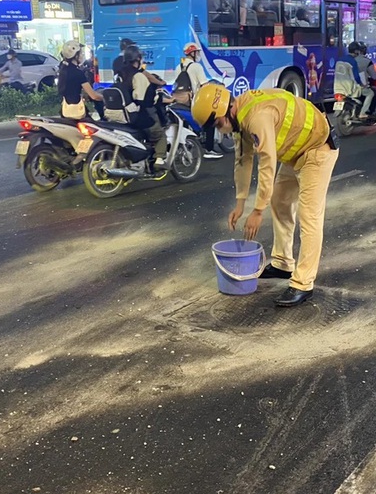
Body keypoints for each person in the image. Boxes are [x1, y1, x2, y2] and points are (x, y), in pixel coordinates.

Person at [191, 84, 339, 308]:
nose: (220, 129)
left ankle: (303, 283)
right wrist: (241, 203)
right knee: (280, 201)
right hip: (295, 152)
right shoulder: (239, 117)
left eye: (218, 123)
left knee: (309, 216)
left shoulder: (257, 117)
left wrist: (258, 210)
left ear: (226, 110)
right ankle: (282, 263)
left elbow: (267, 164)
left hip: (317, 149)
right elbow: (243, 161)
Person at [118, 45, 168, 170]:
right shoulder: (138, 76)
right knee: (160, 135)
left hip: (123, 114)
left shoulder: (120, 74)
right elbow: (142, 100)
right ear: (138, 59)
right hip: (139, 115)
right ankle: (160, 160)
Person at [175, 43, 222, 160]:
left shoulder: (178, 67)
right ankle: (209, 149)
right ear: (193, 53)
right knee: (211, 120)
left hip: (180, 101)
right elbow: (204, 85)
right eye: (198, 52)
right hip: (194, 102)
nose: (199, 54)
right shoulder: (196, 67)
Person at [57, 40, 103, 120]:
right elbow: (94, 96)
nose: (83, 55)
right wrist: (105, 98)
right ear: (75, 56)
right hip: (78, 111)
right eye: (81, 53)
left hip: (65, 111)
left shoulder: (63, 69)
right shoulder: (77, 73)